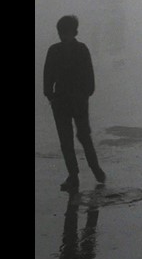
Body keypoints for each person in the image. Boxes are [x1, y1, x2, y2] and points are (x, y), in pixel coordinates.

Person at [44, 15, 106, 192]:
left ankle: (85, 172)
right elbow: (48, 78)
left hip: (70, 100)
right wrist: (52, 96)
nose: (62, 36)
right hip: (70, 101)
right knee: (75, 138)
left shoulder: (59, 50)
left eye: (64, 32)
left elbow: (48, 78)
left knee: (77, 137)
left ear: (73, 32)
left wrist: (52, 95)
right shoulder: (78, 50)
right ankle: (85, 172)